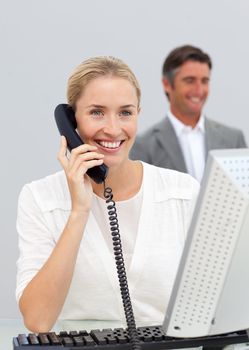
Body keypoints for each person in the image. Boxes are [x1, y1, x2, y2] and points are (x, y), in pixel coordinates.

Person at [16, 56, 199, 333]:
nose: (113, 128)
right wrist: (79, 211)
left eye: (125, 113)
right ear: (70, 121)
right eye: (96, 112)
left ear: (138, 113)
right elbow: (38, 320)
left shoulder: (183, 192)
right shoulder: (40, 198)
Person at [130, 45, 247, 182]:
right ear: (167, 84)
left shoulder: (233, 139)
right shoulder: (144, 145)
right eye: (190, 81)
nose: (199, 90)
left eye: (204, 81)